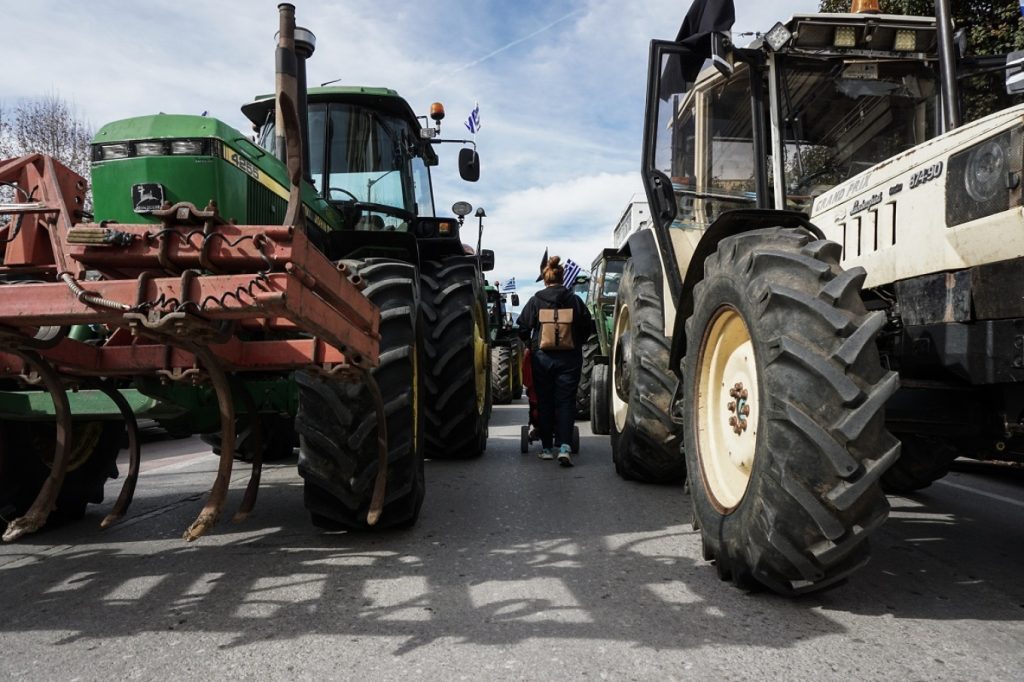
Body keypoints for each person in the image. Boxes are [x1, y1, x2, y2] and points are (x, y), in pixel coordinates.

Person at [518, 255, 595, 466]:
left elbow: (523, 327)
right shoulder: (574, 300)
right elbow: (587, 326)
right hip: (570, 358)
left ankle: (545, 448)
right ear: (562, 278)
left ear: (545, 278)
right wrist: (575, 343)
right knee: (566, 401)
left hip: (542, 358)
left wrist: (531, 345)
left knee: (544, 401)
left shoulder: (535, 300)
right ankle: (564, 447)